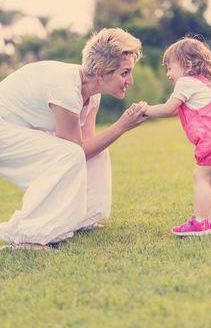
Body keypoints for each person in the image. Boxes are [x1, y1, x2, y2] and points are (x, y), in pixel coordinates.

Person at [0, 28, 147, 249]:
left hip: (21, 127)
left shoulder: (92, 94)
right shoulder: (65, 88)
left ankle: (84, 218)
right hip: (4, 130)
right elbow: (76, 149)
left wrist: (118, 128)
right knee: (68, 154)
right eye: (124, 73)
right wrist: (121, 126)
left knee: (97, 150)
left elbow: (89, 146)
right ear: (100, 73)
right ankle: (30, 235)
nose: (130, 81)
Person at [145, 36, 211, 236]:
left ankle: (200, 223)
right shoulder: (208, 87)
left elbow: (168, 109)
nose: (168, 74)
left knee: (201, 176)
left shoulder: (186, 82)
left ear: (186, 65)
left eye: (170, 67)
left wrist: (146, 109)